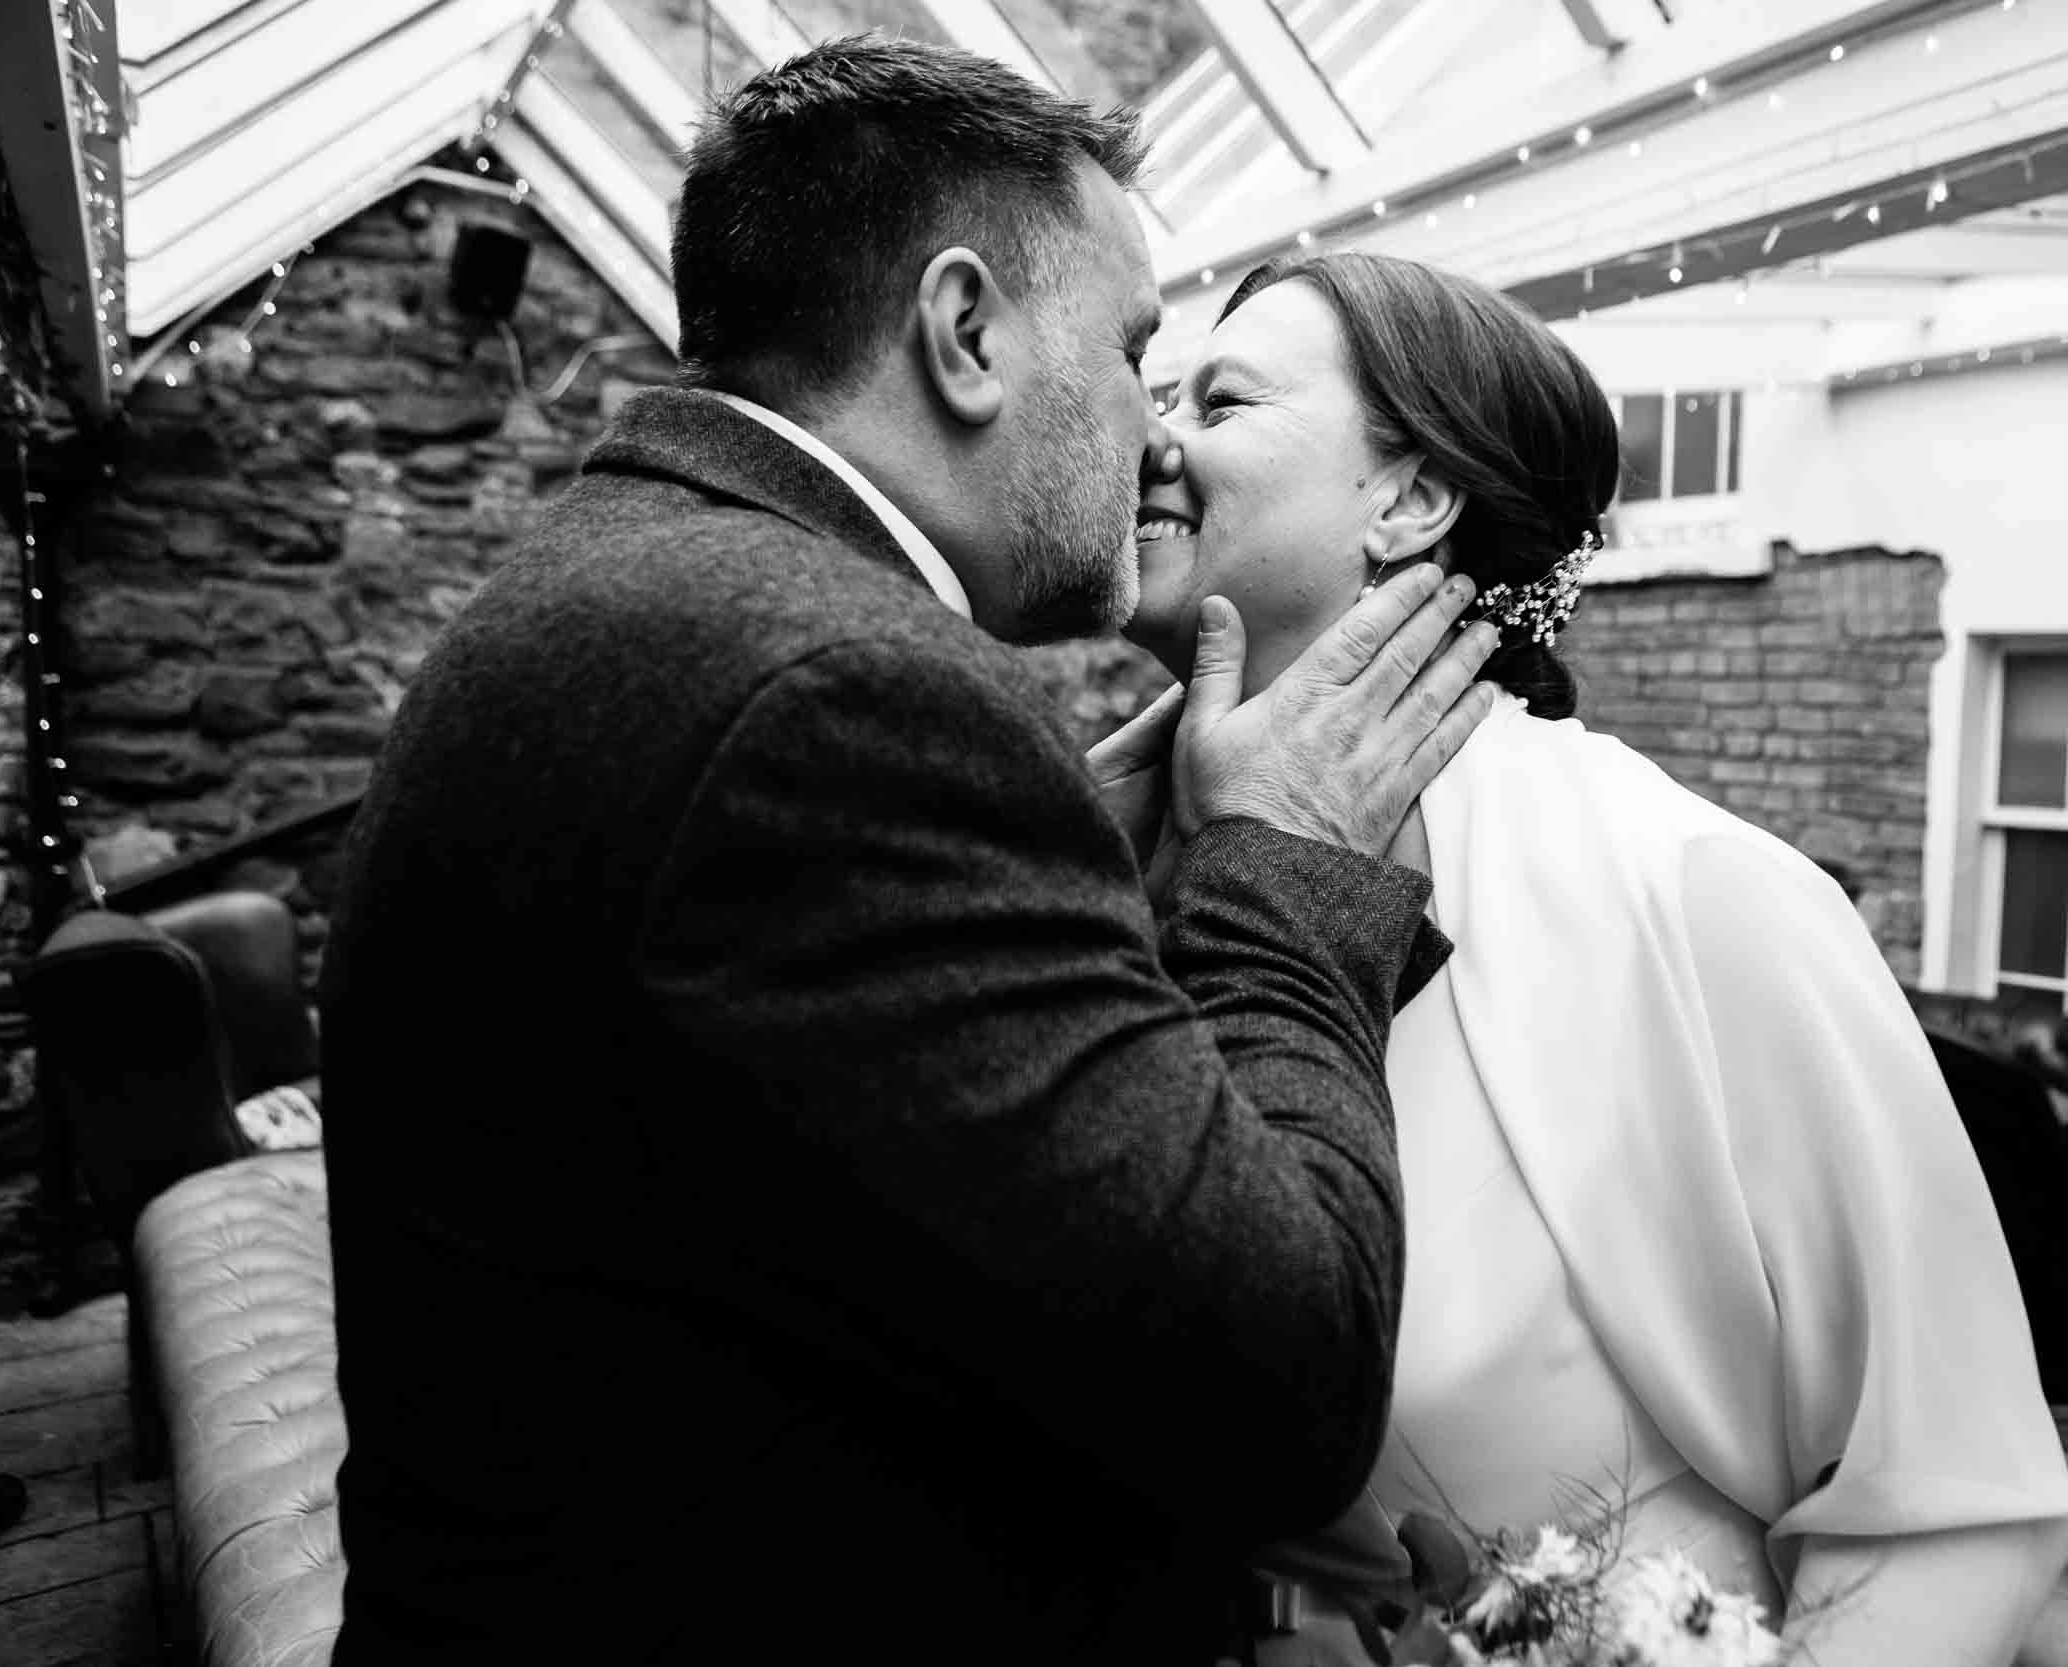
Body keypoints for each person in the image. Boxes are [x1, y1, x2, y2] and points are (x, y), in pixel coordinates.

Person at [318, 39, 1503, 1667]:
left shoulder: (655, 580)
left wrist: (1066, 871)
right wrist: (1283, 863)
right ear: (962, 334)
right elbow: (1276, 1390)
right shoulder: (838, 695)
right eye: (1133, 351)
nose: (1154, 435)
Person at [1123, 252, 2068, 1667]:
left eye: (1222, 399)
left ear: (1411, 499)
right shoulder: (1074, 860)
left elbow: (1951, 1513)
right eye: (1163, 390)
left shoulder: (1700, 899)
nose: (1152, 435)